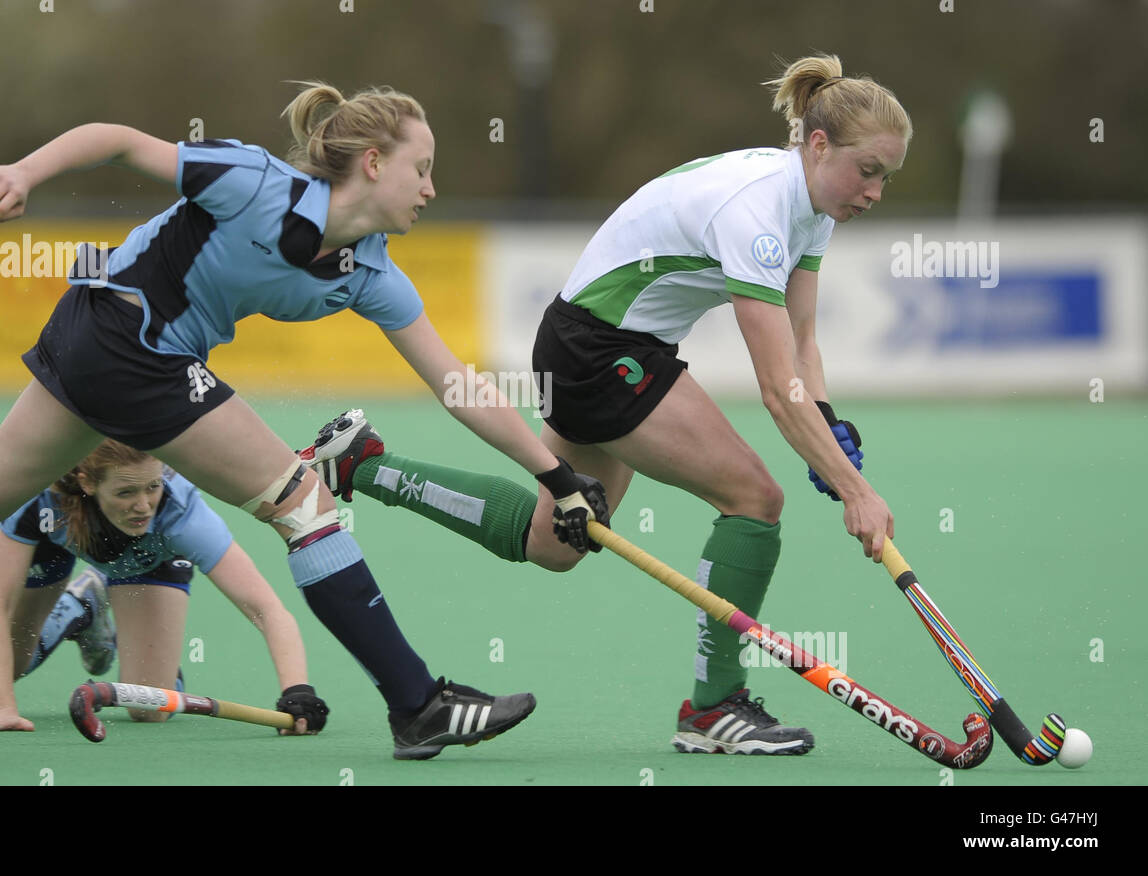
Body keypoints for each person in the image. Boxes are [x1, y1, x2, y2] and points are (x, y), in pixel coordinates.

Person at [0, 81, 609, 760]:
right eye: (422, 168)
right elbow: (116, 142)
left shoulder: (370, 271)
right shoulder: (252, 182)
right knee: (303, 505)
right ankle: (418, 706)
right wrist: (24, 172)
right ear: (373, 163)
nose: (432, 189)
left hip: (94, 336)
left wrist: (556, 475)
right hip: (130, 340)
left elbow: (459, 385)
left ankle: (418, 706)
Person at [300, 55, 908, 756]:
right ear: (819, 145)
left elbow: (803, 339)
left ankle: (365, 465)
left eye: (885, 177)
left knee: (552, 542)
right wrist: (855, 488)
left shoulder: (813, 205)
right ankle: (714, 709)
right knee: (754, 498)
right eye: (868, 170)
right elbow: (775, 387)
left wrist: (828, 426)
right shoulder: (761, 210)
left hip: (592, 344)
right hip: (602, 352)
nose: (874, 191)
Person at [0, 440, 319, 734]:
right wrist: (3, 709)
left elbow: (265, 609)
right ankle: (79, 607)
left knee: (147, 710)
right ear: (87, 482)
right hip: (56, 545)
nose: (143, 506)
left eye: (152, 487)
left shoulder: (181, 516)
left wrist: (297, 690)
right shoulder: (38, 499)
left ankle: (118, 629)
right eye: (126, 492)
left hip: (147, 560)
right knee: (3, 669)